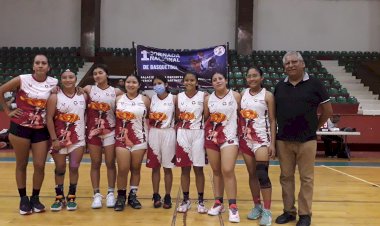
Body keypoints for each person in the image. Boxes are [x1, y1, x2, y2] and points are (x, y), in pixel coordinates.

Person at [274, 51, 332, 226]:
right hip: (283, 140)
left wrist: (315, 127)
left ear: (302, 64)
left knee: (306, 178)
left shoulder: (315, 84)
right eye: (287, 63)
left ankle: (305, 214)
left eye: (294, 62)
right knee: (286, 177)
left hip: (307, 140)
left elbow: (327, 111)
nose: (290, 65)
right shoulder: (279, 86)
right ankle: (289, 211)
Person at [0, 54, 58, 215]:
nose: (40, 65)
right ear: (33, 66)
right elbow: (1, 90)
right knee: (22, 164)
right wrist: (8, 111)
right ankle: (23, 198)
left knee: (40, 165)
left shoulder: (54, 82)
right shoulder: (22, 79)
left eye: (43, 63)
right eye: (37, 63)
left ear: (48, 67)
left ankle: (35, 198)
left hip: (41, 129)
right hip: (20, 128)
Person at [239, 67, 276, 226]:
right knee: (252, 174)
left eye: (255, 76)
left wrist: (272, 143)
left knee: (262, 174)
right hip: (246, 139)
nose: (252, 78)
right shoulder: (242, 94)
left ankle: (267, 210)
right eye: (249, 76)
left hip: (261, 139)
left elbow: (273, 120)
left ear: (261, 77)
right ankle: (257, 206)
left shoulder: (268, 95)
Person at [46, 70, 87, 211]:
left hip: (78, 138)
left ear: (76, 78)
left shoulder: (83, 95)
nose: (68, 80)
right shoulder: (54, 96)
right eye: (64, 77)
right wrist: (54, 139)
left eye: (71, 77)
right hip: (59, 138)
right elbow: (49, 118)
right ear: (60, 80)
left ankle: (71, 196)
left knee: (74, 167)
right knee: (60, 168)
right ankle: (59, 197)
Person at [83, 64, 124, 209]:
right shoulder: (88, 89)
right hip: (93, 132)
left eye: (100, 73)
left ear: (107, 74)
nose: (97, 76)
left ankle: (111, 193)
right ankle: (96, 195)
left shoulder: (117, 92)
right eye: (95, 74)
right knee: (95, 163)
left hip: (110, 131)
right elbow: (72, 92)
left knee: (110, 163)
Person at [204, 72, 241, 223]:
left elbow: (242, 115)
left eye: (220, 78)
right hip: (212, 138)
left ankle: (233, 206)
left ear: (226, 80)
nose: (218, 81)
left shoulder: (236, 96)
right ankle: (218, 202)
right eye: (214, 80)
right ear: (211, 83)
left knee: (227, 170)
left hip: (230, 137)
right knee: (216, 171)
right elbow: (206, 118)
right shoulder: (208, 99)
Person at [113, 74, 150, 211]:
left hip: (140, 139)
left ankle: (133, 196)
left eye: (134, 82)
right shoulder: (117, 99)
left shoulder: (145, 100)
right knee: (122, 169)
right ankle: (121, 196)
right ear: (125, 84)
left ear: (139, 85)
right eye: (128, 82)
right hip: (121, 139)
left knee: (136, 168)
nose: (131, 84)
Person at [175, 72, 208, 214]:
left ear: (196, 82)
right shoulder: (178, 97)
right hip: (182, 133)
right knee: (184, 169)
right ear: (183, 82)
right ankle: (186, 200)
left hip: (198, 133)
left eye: (192, 80)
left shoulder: (204, 96)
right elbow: (177, 115)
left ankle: (200, 201)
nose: (189, 82)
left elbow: (206, 115)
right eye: (186, 80)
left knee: (198, 169)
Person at [146, 75, 176, 209]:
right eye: (155, 84)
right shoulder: (151, 99)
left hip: (169, 133)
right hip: (154, 133)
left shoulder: (174, 98)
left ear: (166, 84)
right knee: (155, 167)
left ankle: (168, 195)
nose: (157, 85)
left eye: (159, 83)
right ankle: (156, 195)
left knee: (167, 168)